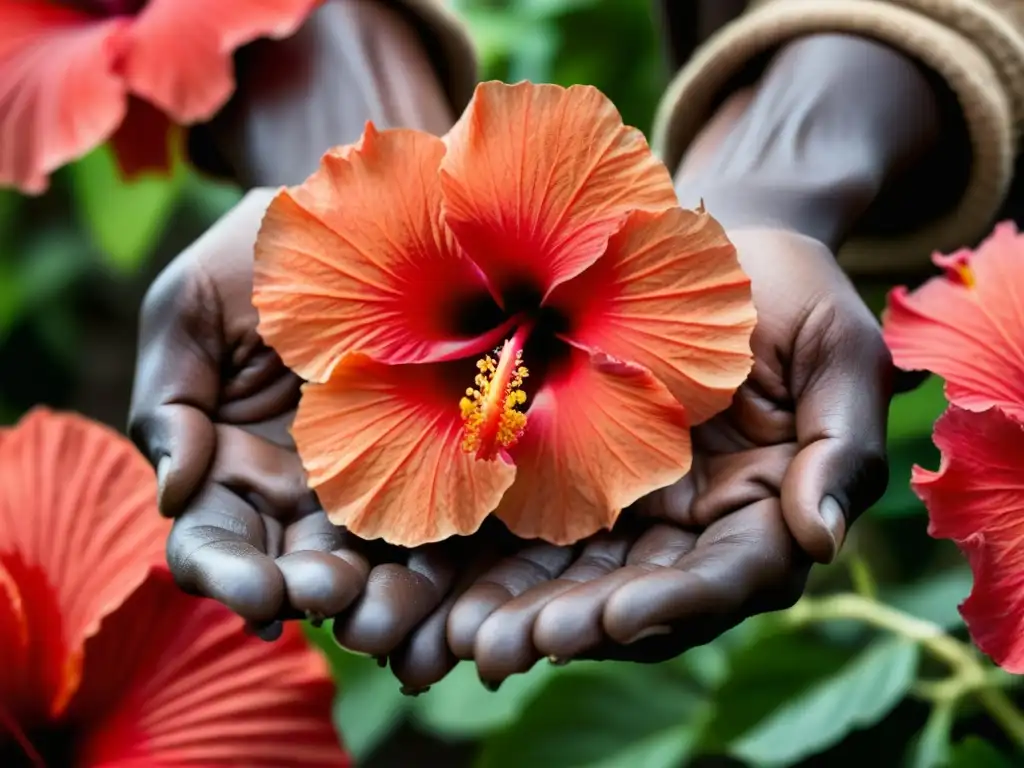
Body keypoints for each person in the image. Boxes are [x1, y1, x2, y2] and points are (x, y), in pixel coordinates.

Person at [128, 0, 1024, 692]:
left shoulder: (542, 368)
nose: (492, 416)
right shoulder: (486, 394)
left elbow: (683, 305)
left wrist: (776, 183)